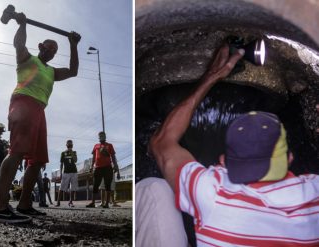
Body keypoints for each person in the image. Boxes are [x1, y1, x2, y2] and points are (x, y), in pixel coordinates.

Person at [136, 45, 319, 246]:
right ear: (289, 158)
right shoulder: (314, 192)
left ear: (223, 162)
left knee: (154, 188)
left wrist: (210, 78)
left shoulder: (211, 192)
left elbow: (161, 142)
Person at [0, 11, 80, 224]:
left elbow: (74, 71)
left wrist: (73, 44)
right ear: (41, 47)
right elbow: (18, 44)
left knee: (37, 161)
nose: (53, 52)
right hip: (23, 102)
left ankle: (25, 204)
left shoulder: (52, 72)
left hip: (40, 110)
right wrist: (22, 24)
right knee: (17, 152)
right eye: (50, 48)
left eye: (56, 51)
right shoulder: (27, 59)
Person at [86, 132, 119, 208]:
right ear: (98, 137)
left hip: (108, 167)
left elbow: (113, 156)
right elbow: (94, 157)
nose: (101, 137)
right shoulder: (96, 146)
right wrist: (91, 167)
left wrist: (116, 166)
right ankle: (93, 203)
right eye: (100, 136)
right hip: (98, 168)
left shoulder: (109, 145)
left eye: (103, 135)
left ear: (105, 136)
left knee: (108, 185)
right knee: (95, 185)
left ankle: (107, 204)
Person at [56, 140, 78, 207]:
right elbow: (61, 164)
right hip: (66, 172)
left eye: (71, 144)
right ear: (66, 145)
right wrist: (60, 173)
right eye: (68, 144)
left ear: (72, 145)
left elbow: (75, 160)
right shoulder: (63, 153)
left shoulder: (74, 152)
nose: (69, 145)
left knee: (73, 187)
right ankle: (58, 202)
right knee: (62, 187)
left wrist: (71, 153)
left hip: (74, 171)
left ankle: (70, 202)